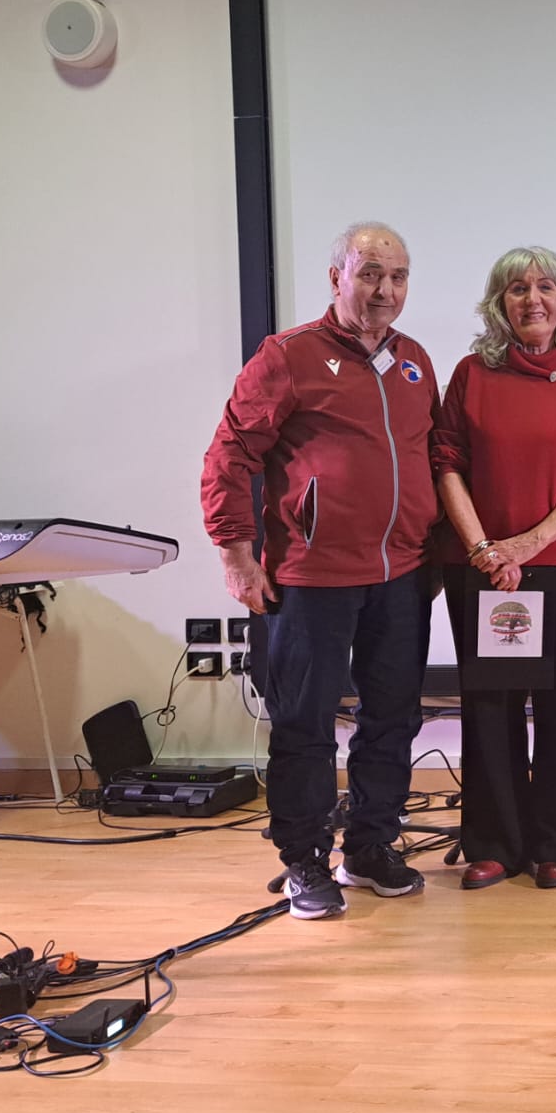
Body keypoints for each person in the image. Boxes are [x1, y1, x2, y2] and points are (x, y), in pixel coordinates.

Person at [200, 222, 438, 919]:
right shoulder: (288, 357)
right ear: (336, 278)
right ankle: (304, 858)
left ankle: (370, 846)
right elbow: (229, 456)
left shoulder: (417, 361)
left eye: (396, 277)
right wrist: (236, 555)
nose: (383, 290)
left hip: (400, 575)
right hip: (310, 577)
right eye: (368, 274)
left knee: (392, 717)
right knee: (304, 724)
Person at [433, 247, 556, 892]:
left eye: (545, 286)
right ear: (498, 303)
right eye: (517, 289)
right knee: (491, 705)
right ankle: (493, 842)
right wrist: (487, 549)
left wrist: (528, 545)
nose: (532, 299)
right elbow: (447, 464)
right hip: (482, 567)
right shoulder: (469, 375)